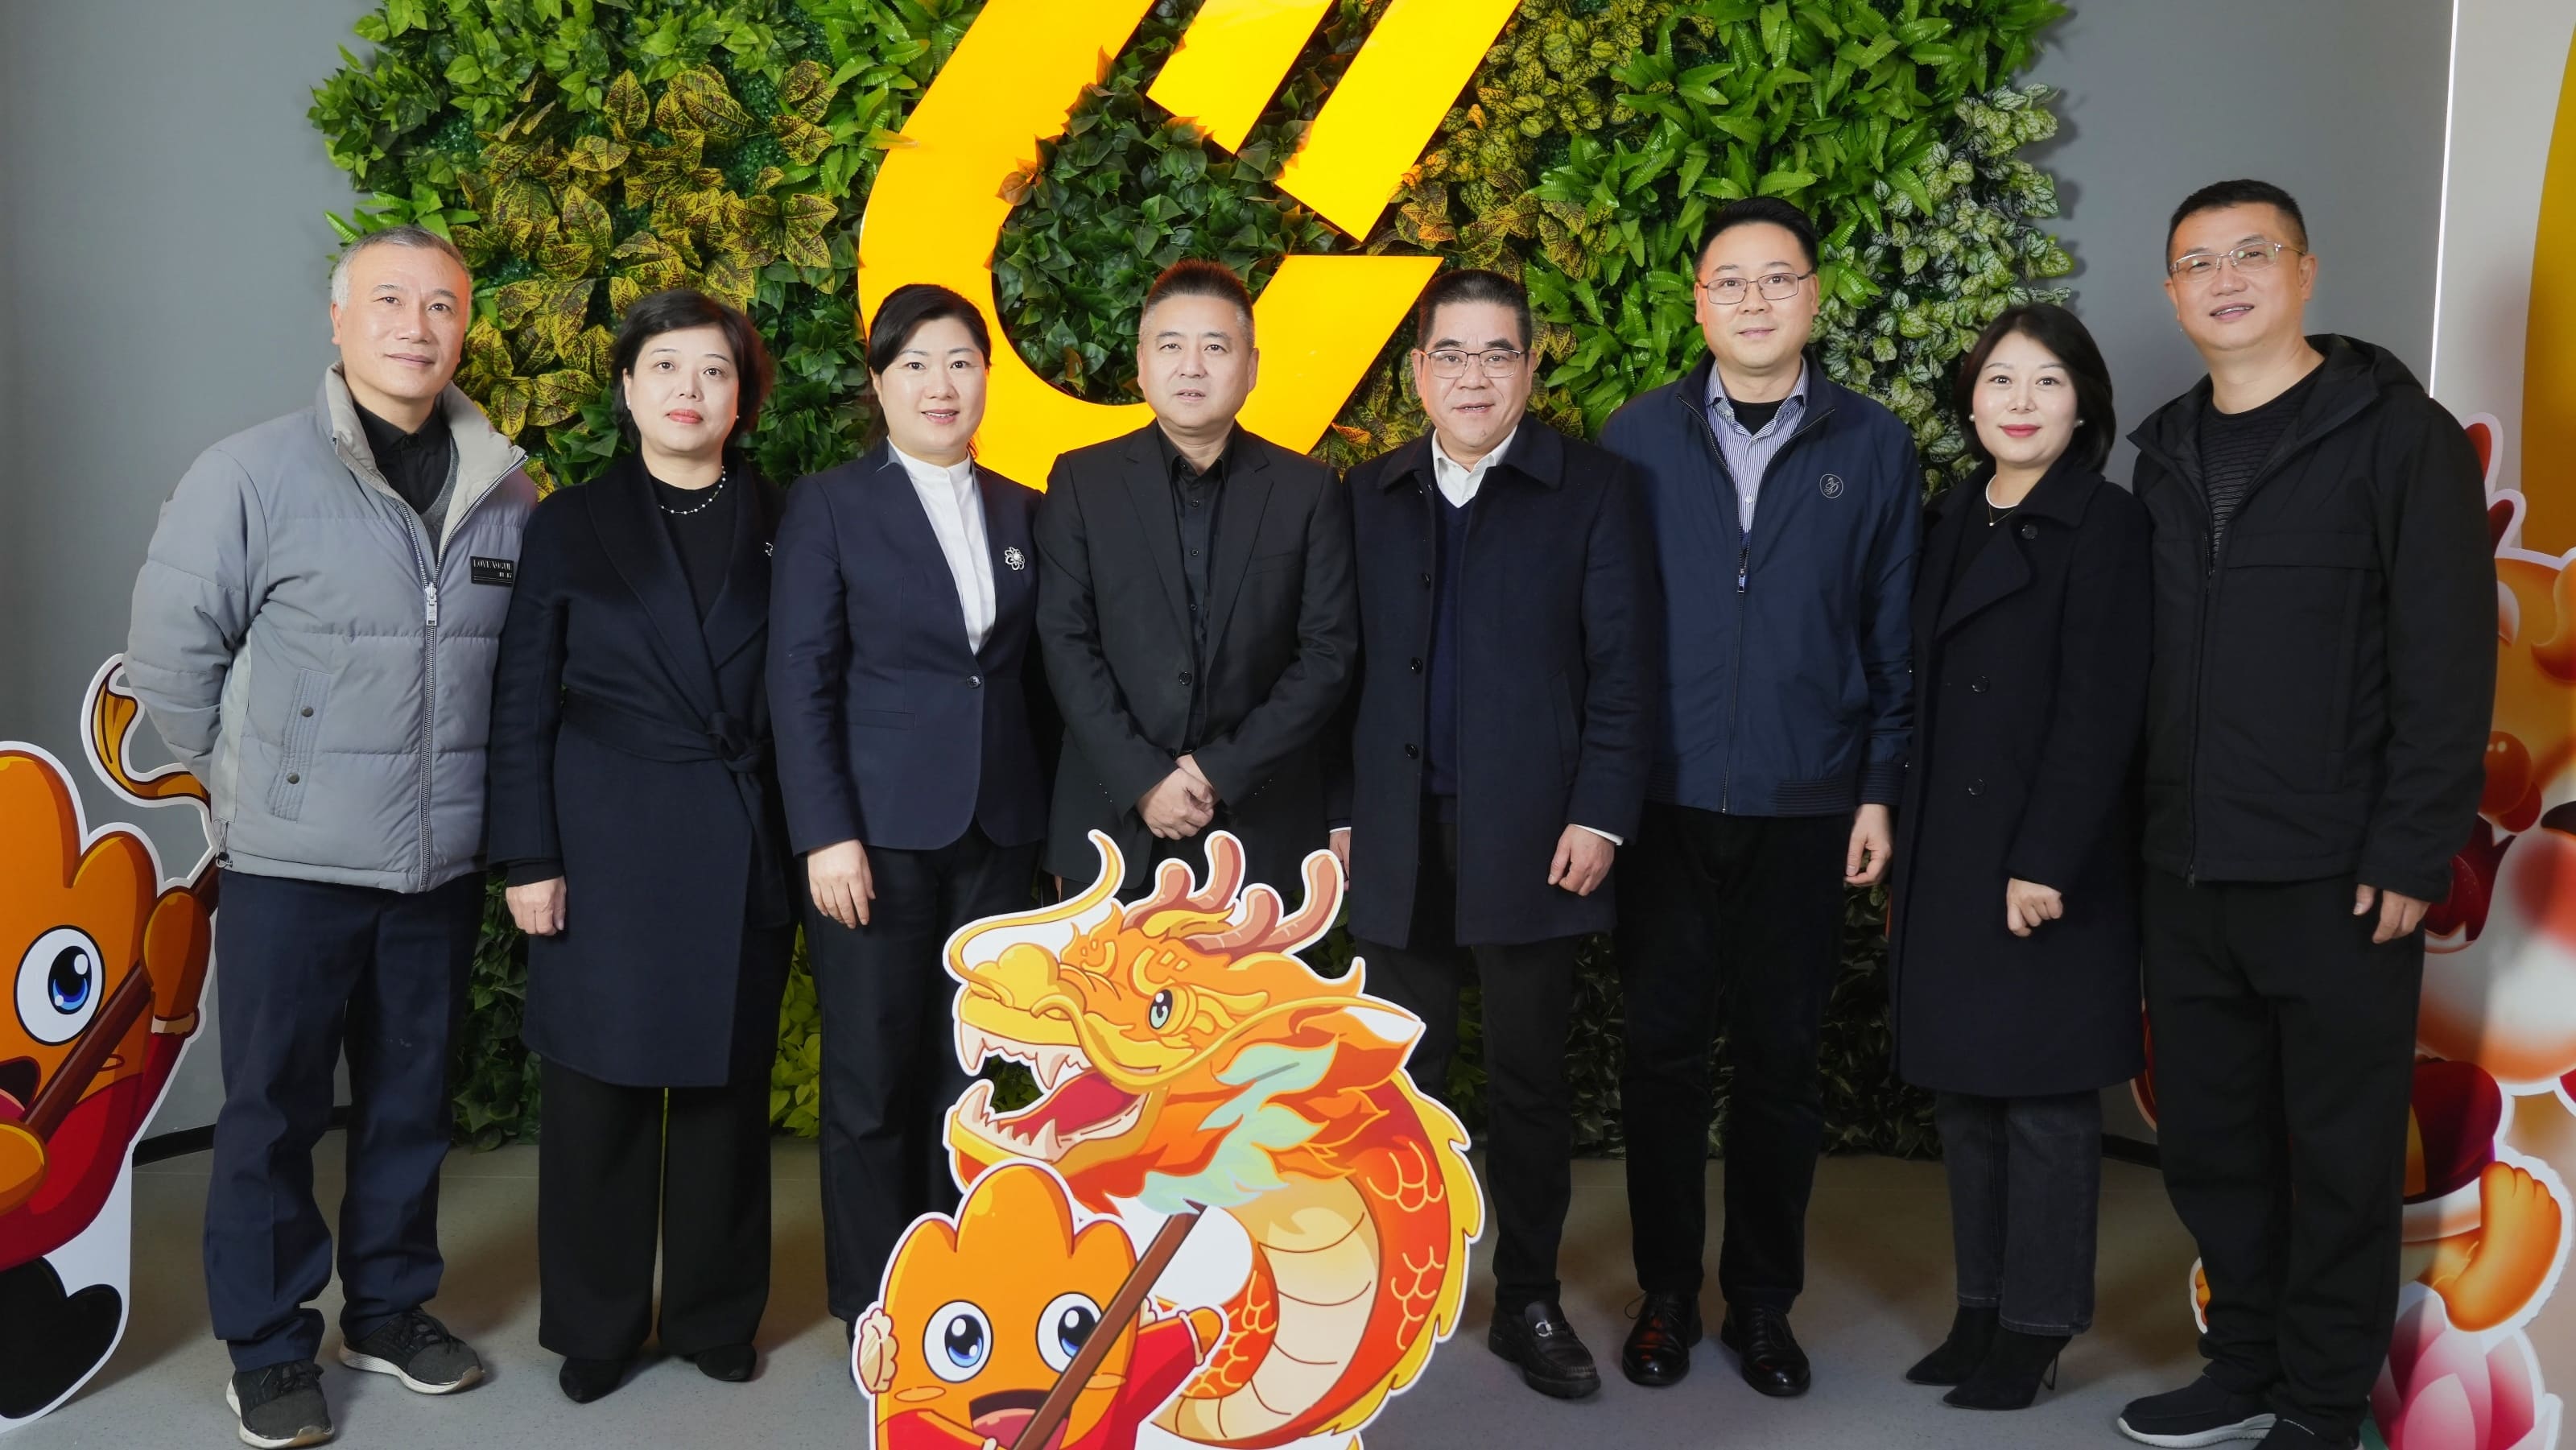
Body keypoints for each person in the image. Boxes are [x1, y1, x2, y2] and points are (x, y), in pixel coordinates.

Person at [123, 225, 534, 1447]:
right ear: (341, 320)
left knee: (410, 1101)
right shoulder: (249, 473)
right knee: (273, 1109)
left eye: (442, 305)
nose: (417, 325)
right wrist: (252, 787)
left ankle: (391, 1308)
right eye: (390, 300)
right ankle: (266, 1346)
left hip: (436, 862)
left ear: (465, 329)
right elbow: (171, 659)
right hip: (292, 863)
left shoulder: (504, 487)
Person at [2115, 181, 2491, 1450]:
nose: (2225, 279)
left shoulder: (2401, 438)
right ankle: (2246, 1363)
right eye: (2198, 263)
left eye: (2252, 254)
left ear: (2305, 272)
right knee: (2211, 1142)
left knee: (2337, 1152)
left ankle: (2325, 1405)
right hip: (2186, 864)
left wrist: (2413, 844)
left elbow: (2447, 657)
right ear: (2173, 294)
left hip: (2339, 870)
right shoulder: (2163, 451)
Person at [1597, 196, 1920, 1398]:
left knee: (1782, 1064)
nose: (1752, 300)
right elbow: (1601, 632)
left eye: (1776, 278)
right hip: (1665, 802)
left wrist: (1876, 789)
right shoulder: (1634, 437)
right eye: (1727, 280)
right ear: (1697, 303)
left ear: (1812, 297)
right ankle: (1665, 1294)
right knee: (1662, 1057)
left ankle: (1764, 1302)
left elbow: (1893, 637)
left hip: (1807, 801)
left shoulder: (1872, 445)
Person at [1330, 269, 1657, 1400]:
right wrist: (1342, 814)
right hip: (1396, 834)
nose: (1473, 376)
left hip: (1537, 836)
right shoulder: (1366, 494)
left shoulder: (1593, 490)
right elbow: (1335, 671)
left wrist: (1599, 812)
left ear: (1530, 364)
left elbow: (1625, 670)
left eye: (1496, 353)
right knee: (1397, 1079)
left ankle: (1527, 1297)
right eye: (1451, 355)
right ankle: (1397, 1291)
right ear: (1418, 372)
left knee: (1526, 1083)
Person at [484, 289, 790, 1403]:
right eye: (665, 367)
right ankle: (598, 1322)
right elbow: (522, 701)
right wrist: (530, 857)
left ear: (741, 397)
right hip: (600, 837)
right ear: (627, 387)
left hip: (740, 833)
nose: (688, 390)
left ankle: (715, 1311)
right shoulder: (569, 523)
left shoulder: (789, 519)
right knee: (596, 1096)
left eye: (713, 370)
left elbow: (810, 693)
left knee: (723, 1094)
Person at [769, 283, 1051, 1337]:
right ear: (879, 382)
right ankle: (872, 1298)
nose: (942, 385)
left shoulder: (1024, 507)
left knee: (967, 1067)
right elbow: (800, 679)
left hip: (998, 830)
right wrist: (824, 833)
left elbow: (1034, 682)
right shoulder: (831, 505)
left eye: (961, 362)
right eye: (916, 364)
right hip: (874, 836)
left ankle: (957, 1287)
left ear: (986, 379)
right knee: (872, 1073)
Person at [1885, 304, 2148, 1412]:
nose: (2021, 402)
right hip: (1947, 846)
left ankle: (2036, 1326)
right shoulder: (1951, 513)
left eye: (2047, 381)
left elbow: (2102, 710)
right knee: (1966, 1091)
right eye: (2000, 379)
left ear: (2082, 405)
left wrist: (2044, 856)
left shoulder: (2107, 523)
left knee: (2041, 1098)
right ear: (1971, 400)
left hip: (2045, 856)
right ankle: (1980, 1308)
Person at [1034, 259, 1357, 897]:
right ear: (1141, 363)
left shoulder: (1308, 491)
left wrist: (1217, 770)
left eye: (1215, 347)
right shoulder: (1081, 482)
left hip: (1260, 826)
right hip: (1110, 823)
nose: (1192, 367)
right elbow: (1066, 643)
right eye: (1170, 346)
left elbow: (1327, 654)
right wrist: (1144, 778)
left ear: (1252, 367)